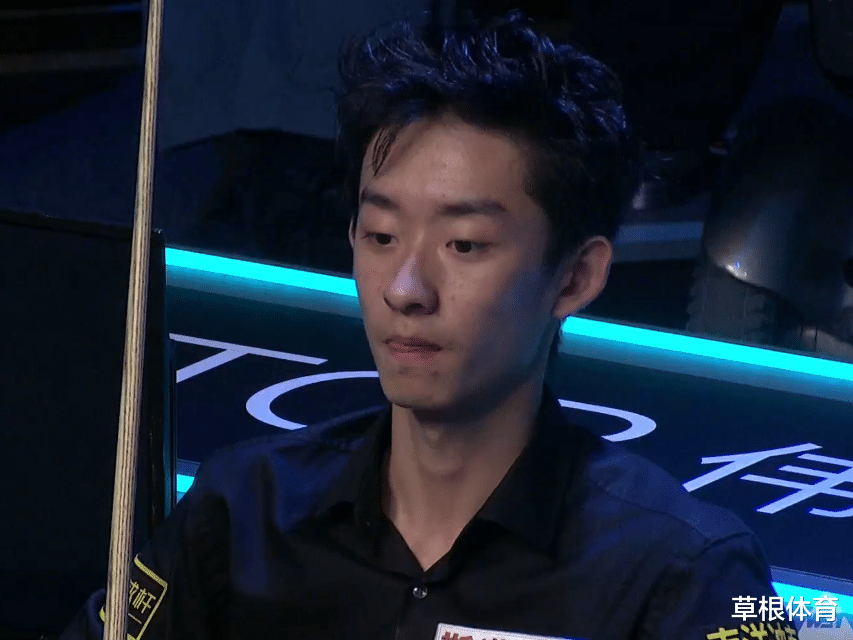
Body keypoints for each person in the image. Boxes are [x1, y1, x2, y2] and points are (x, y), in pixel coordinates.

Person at [60, 11, 797, 640]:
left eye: (463, 245)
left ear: (575, 276)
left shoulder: (688, 571)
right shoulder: (242, 508)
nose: (405, 289)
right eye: (381, 236)